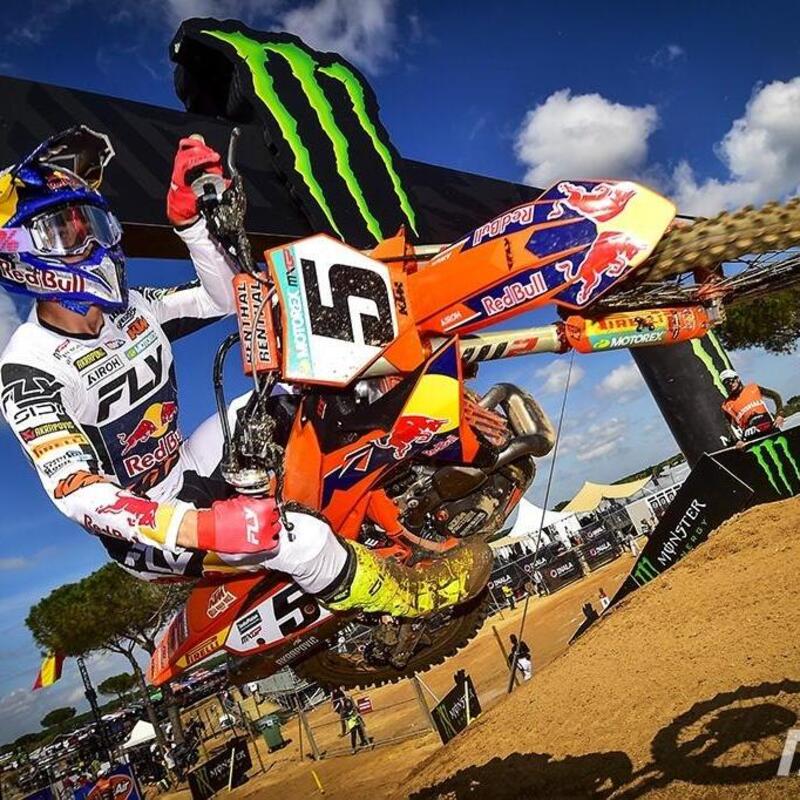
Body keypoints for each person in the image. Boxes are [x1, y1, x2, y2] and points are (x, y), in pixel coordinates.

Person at [0, 127, 491, 620]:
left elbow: (225, 298)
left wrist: (191, 225)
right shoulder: (29, 366)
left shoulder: (133, 309)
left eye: (91, 223)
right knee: (300, 540)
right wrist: (200, 528)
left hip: (186, 463)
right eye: (64, 231)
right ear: (18, 253)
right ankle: (406, 599)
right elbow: (76, 491)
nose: (90, 241)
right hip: (147, 533)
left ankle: (403, 487)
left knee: (305, 388)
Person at [719, 369, 784, 445]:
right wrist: (737, 441)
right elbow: (728, 425)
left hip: (770, 429)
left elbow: (775, 396)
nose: (730, 384)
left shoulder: (753, 387)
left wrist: (780, 414)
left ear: (737, 379)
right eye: (726, 383)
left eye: (731, 381)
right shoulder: (726, 404)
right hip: (751, 438)